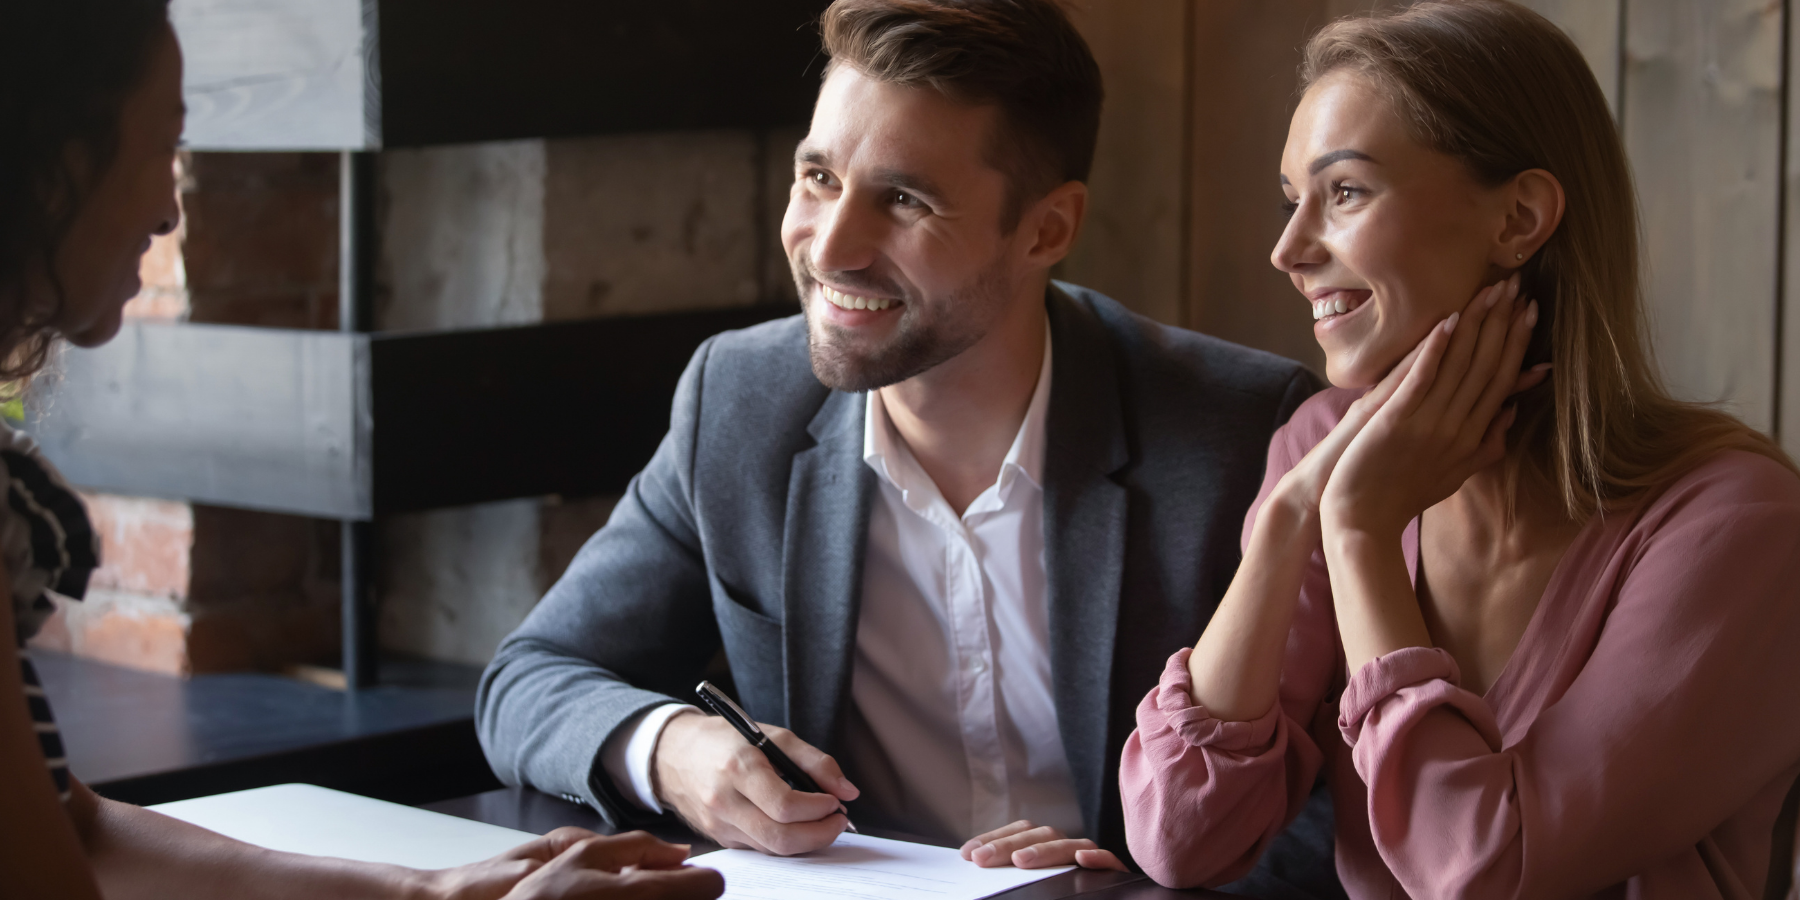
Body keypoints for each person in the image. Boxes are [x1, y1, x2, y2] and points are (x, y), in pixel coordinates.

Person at [475, 0, 1341, 894]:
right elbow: (530, 680)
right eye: (818, 177)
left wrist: (1147, 875)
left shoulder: (1241, 433)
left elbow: (1347, 803)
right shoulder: (739, 401)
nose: (832, 247)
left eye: (903, 199)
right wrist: (675, 751)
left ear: (1047, 230)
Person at [0, 3, 725, 899]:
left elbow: (70, 828)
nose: (166, 209)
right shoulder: (736, 392)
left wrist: (424, 894)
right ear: (54, 164)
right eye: (163, 147)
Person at [1118, 1, 1800, 897]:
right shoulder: (1322, 450)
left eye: (1346, 192)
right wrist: (1290, 519)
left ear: (1518, 217)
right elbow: (1182, 836)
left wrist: (1357, 536)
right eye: (1293, 201)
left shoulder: (1740, 526)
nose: (1288, 249)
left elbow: (1484, 867)